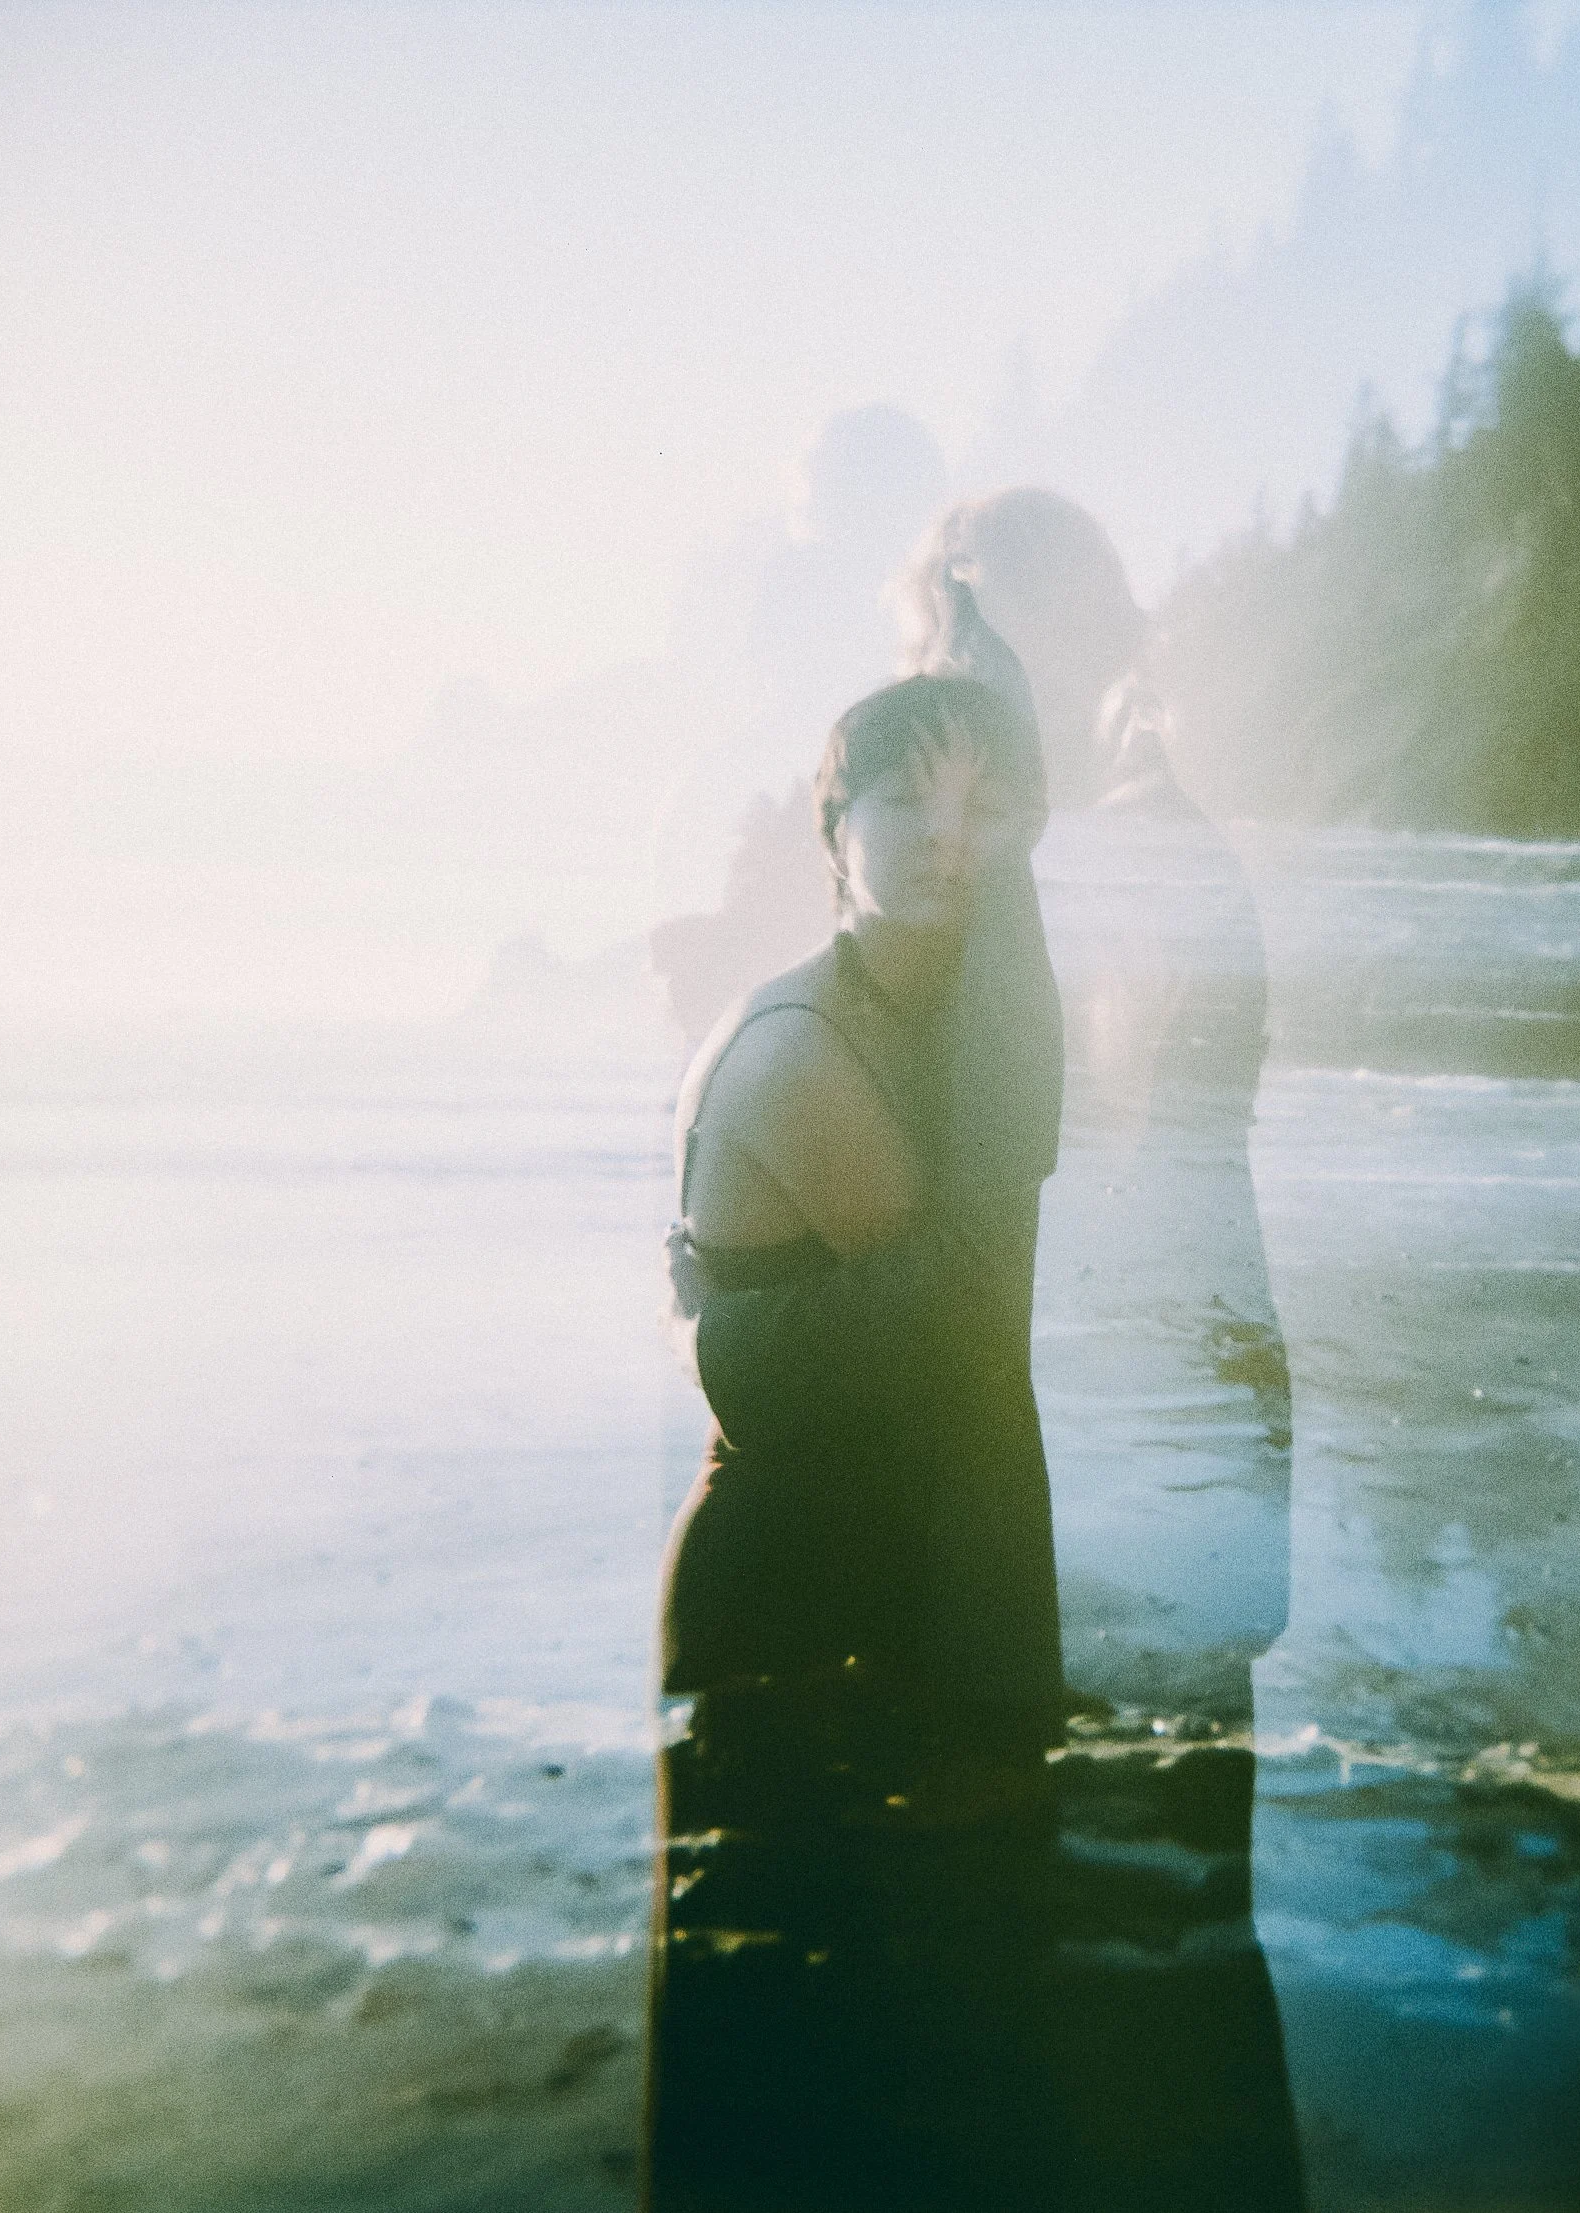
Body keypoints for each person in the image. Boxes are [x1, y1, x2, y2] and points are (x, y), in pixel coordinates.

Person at [899, 489, 1305, 2212]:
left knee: (1135, 1921)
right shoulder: (1096, 849)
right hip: (1167, 1402)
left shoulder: (1116, 856)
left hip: (1139, 1419)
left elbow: (1100, 1135)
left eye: (953, 654)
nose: (936, 697)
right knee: (1155, 1924)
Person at [645, 667, 1068, 2212]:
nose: (943, 835)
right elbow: (971, 1316)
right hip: (787, 1603)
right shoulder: (802, 1049)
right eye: (902, 797)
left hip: (878, 1576)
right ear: (834, 828)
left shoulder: (935, 1012)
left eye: (982, 806)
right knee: (791, 2089)